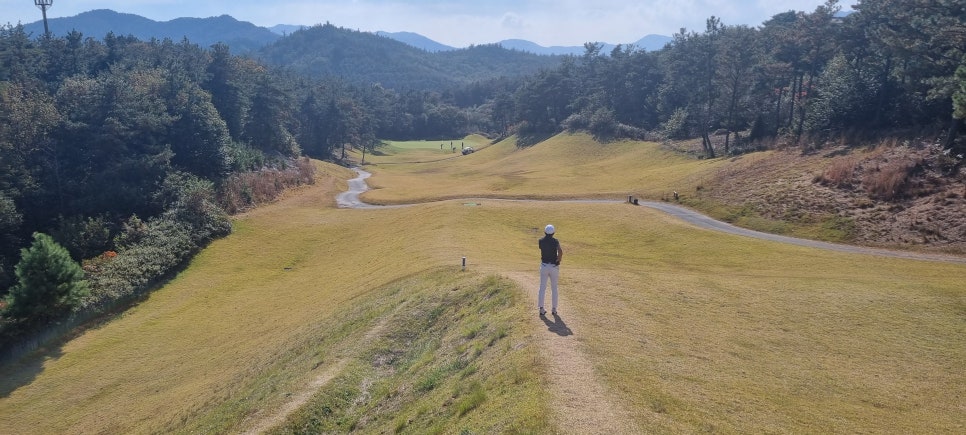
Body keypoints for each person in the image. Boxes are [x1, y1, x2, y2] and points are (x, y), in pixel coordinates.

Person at [538, 224, 563, 317]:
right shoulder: (555, 241)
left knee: (542, 288)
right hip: (553, 267)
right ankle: (554, 309)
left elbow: (543, 249)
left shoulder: (540, 241)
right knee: (554, 288)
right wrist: (558, 260)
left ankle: (541, 309)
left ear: (545, 232)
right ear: (553, 233)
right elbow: (560, 251)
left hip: (544, 265)